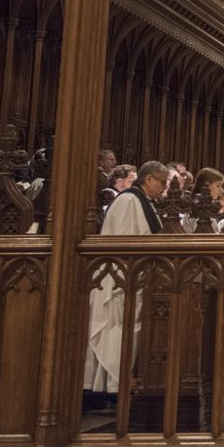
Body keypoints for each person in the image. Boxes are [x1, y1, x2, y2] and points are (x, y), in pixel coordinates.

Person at [84, 161, 168, 398]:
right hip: (118, 281)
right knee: (116, 330)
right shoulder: (129, 201)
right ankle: (109, 387)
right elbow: (123, 241)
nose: (164, 188)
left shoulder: (143, 202)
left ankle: (117, 383)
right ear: (149, 179)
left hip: (137, 278)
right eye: (162, 182)